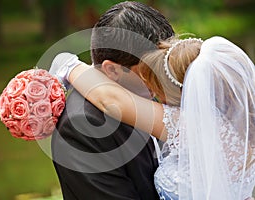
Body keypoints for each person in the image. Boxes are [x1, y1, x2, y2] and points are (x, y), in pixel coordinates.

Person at [52, 36, 255, 199]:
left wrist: (69, 65)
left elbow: (111, 100)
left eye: (157, 88)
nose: (154, 95)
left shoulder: (188, 124)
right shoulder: (244, 128)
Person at [50, 1, 174, 200]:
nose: (165, 76)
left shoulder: (158, 94)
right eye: (153, 69)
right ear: (113, 70)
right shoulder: (83, 125)